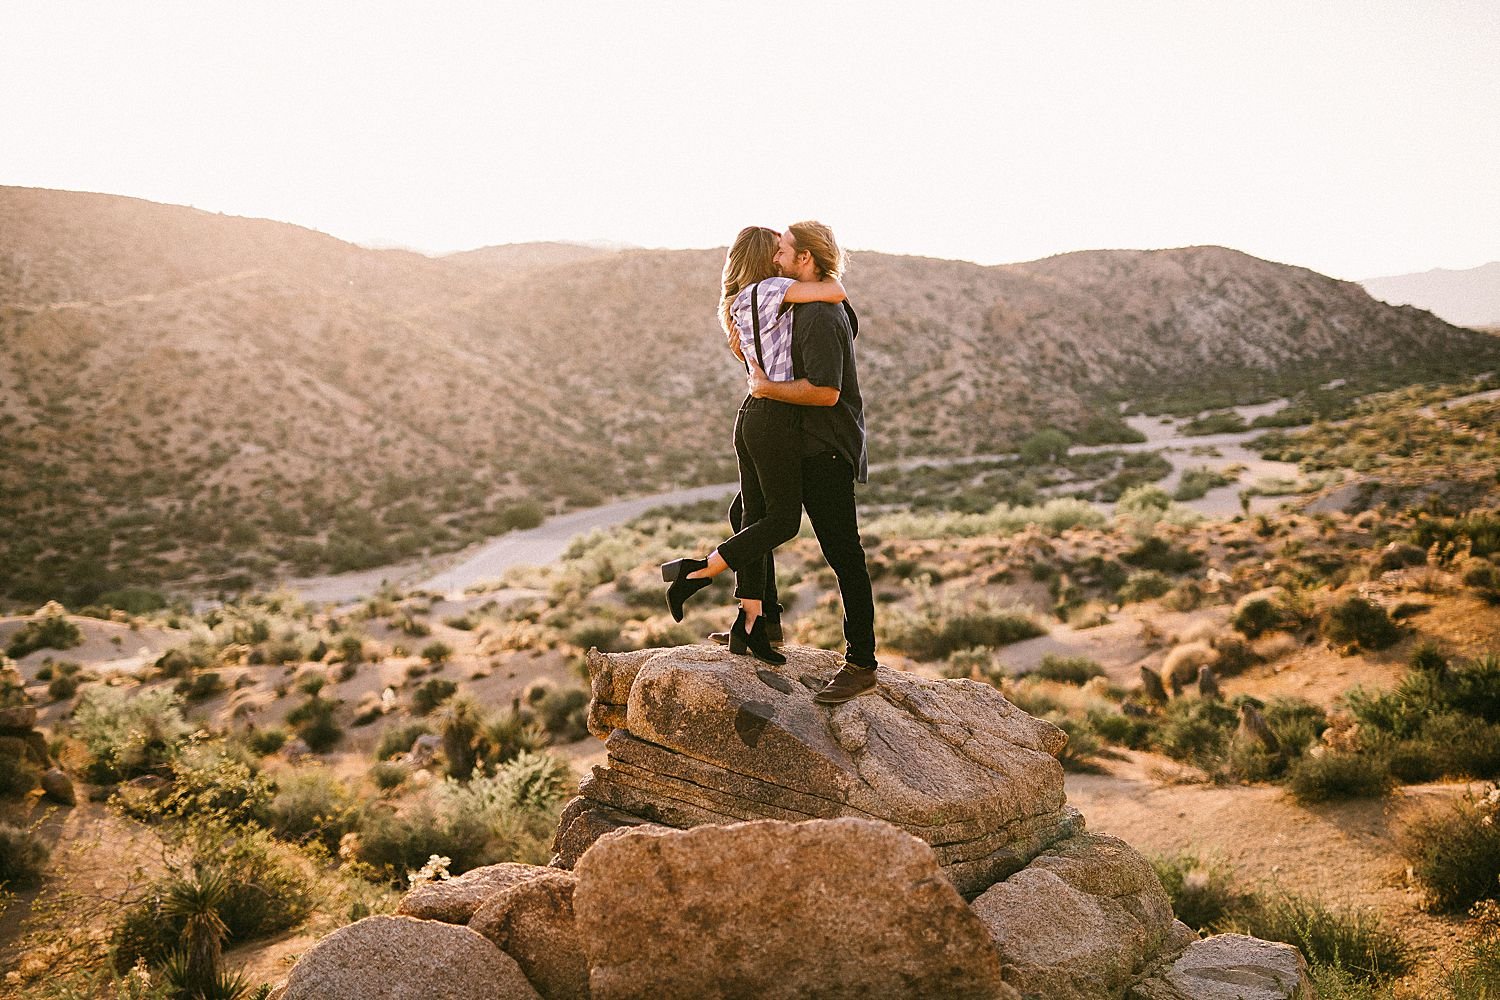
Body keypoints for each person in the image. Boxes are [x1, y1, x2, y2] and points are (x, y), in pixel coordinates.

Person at [661, 226, 846, 665]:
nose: (783, 258)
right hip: (775, 420)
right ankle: (697, 570)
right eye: (778, 252)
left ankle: (753, 625)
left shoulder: (740, 302)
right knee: (782, 521)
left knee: (751, 515)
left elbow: (753, 362)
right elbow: (834, 290)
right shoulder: (773, 289)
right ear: (767, 260)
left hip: (751, 416)